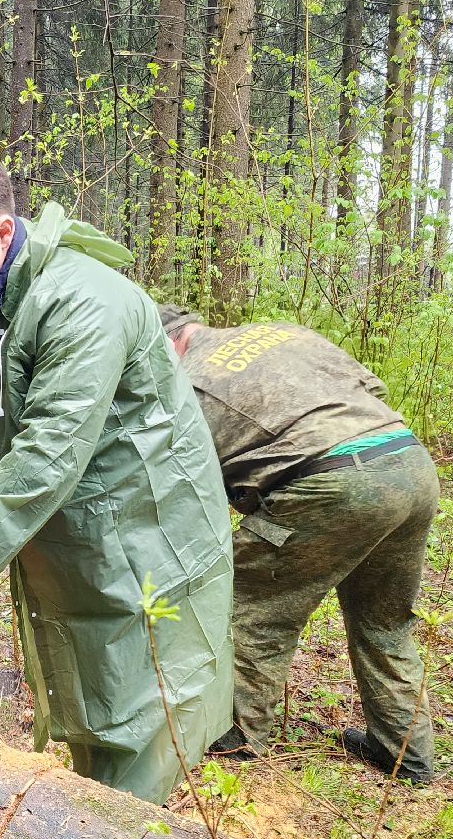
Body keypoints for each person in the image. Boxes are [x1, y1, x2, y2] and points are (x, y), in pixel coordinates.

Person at [0, 142, 234, 804]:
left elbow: (49, 451)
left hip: (145, 540)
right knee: (92, 700)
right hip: (86, 540)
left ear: (3, 232)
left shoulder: (83, 302)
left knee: (136, 720)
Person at [159, 306, 438, 783]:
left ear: (171, 341)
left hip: (327, 487)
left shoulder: (189, 379)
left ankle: (235, 742)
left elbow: (185, 480)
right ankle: (407, 756)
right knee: (385, 622)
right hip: (408, 464)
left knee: (247, 609)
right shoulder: (280, 331)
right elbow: (372, 391)